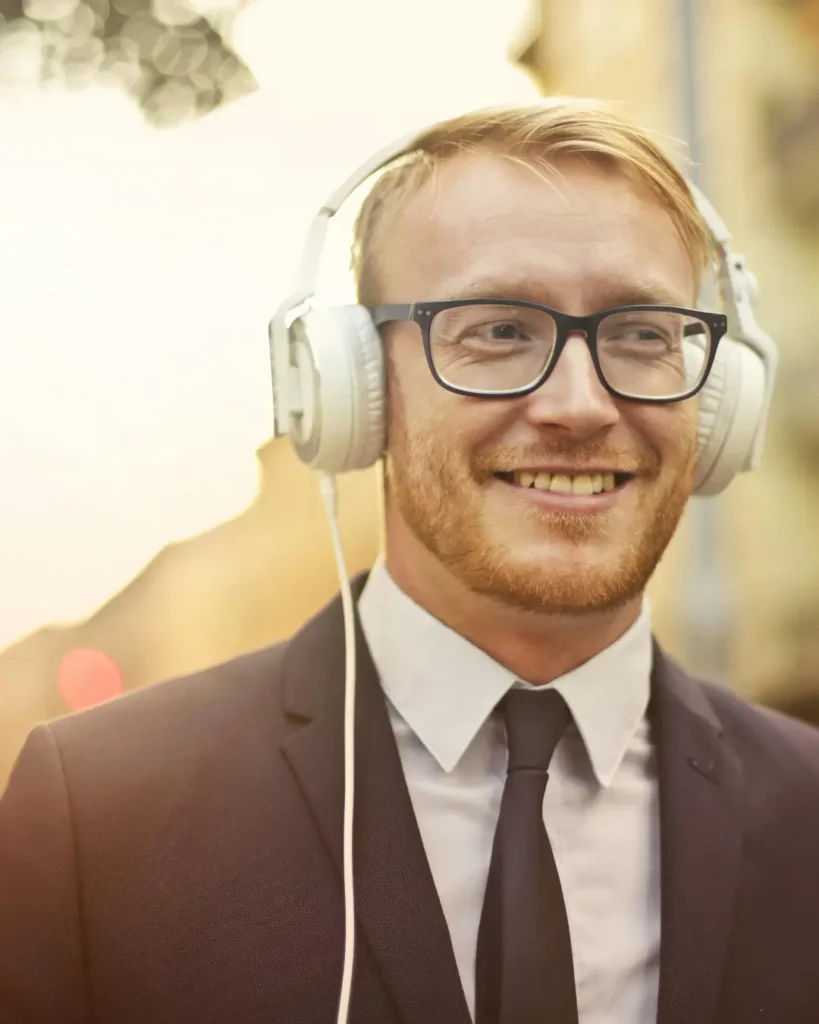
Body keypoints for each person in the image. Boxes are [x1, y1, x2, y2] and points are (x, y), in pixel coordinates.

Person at [0, 99, 817, 1024]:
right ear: (356, 388)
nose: (581, 406)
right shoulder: (97, 815)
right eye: (500, 331)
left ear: (718, 406)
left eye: (641, 334)